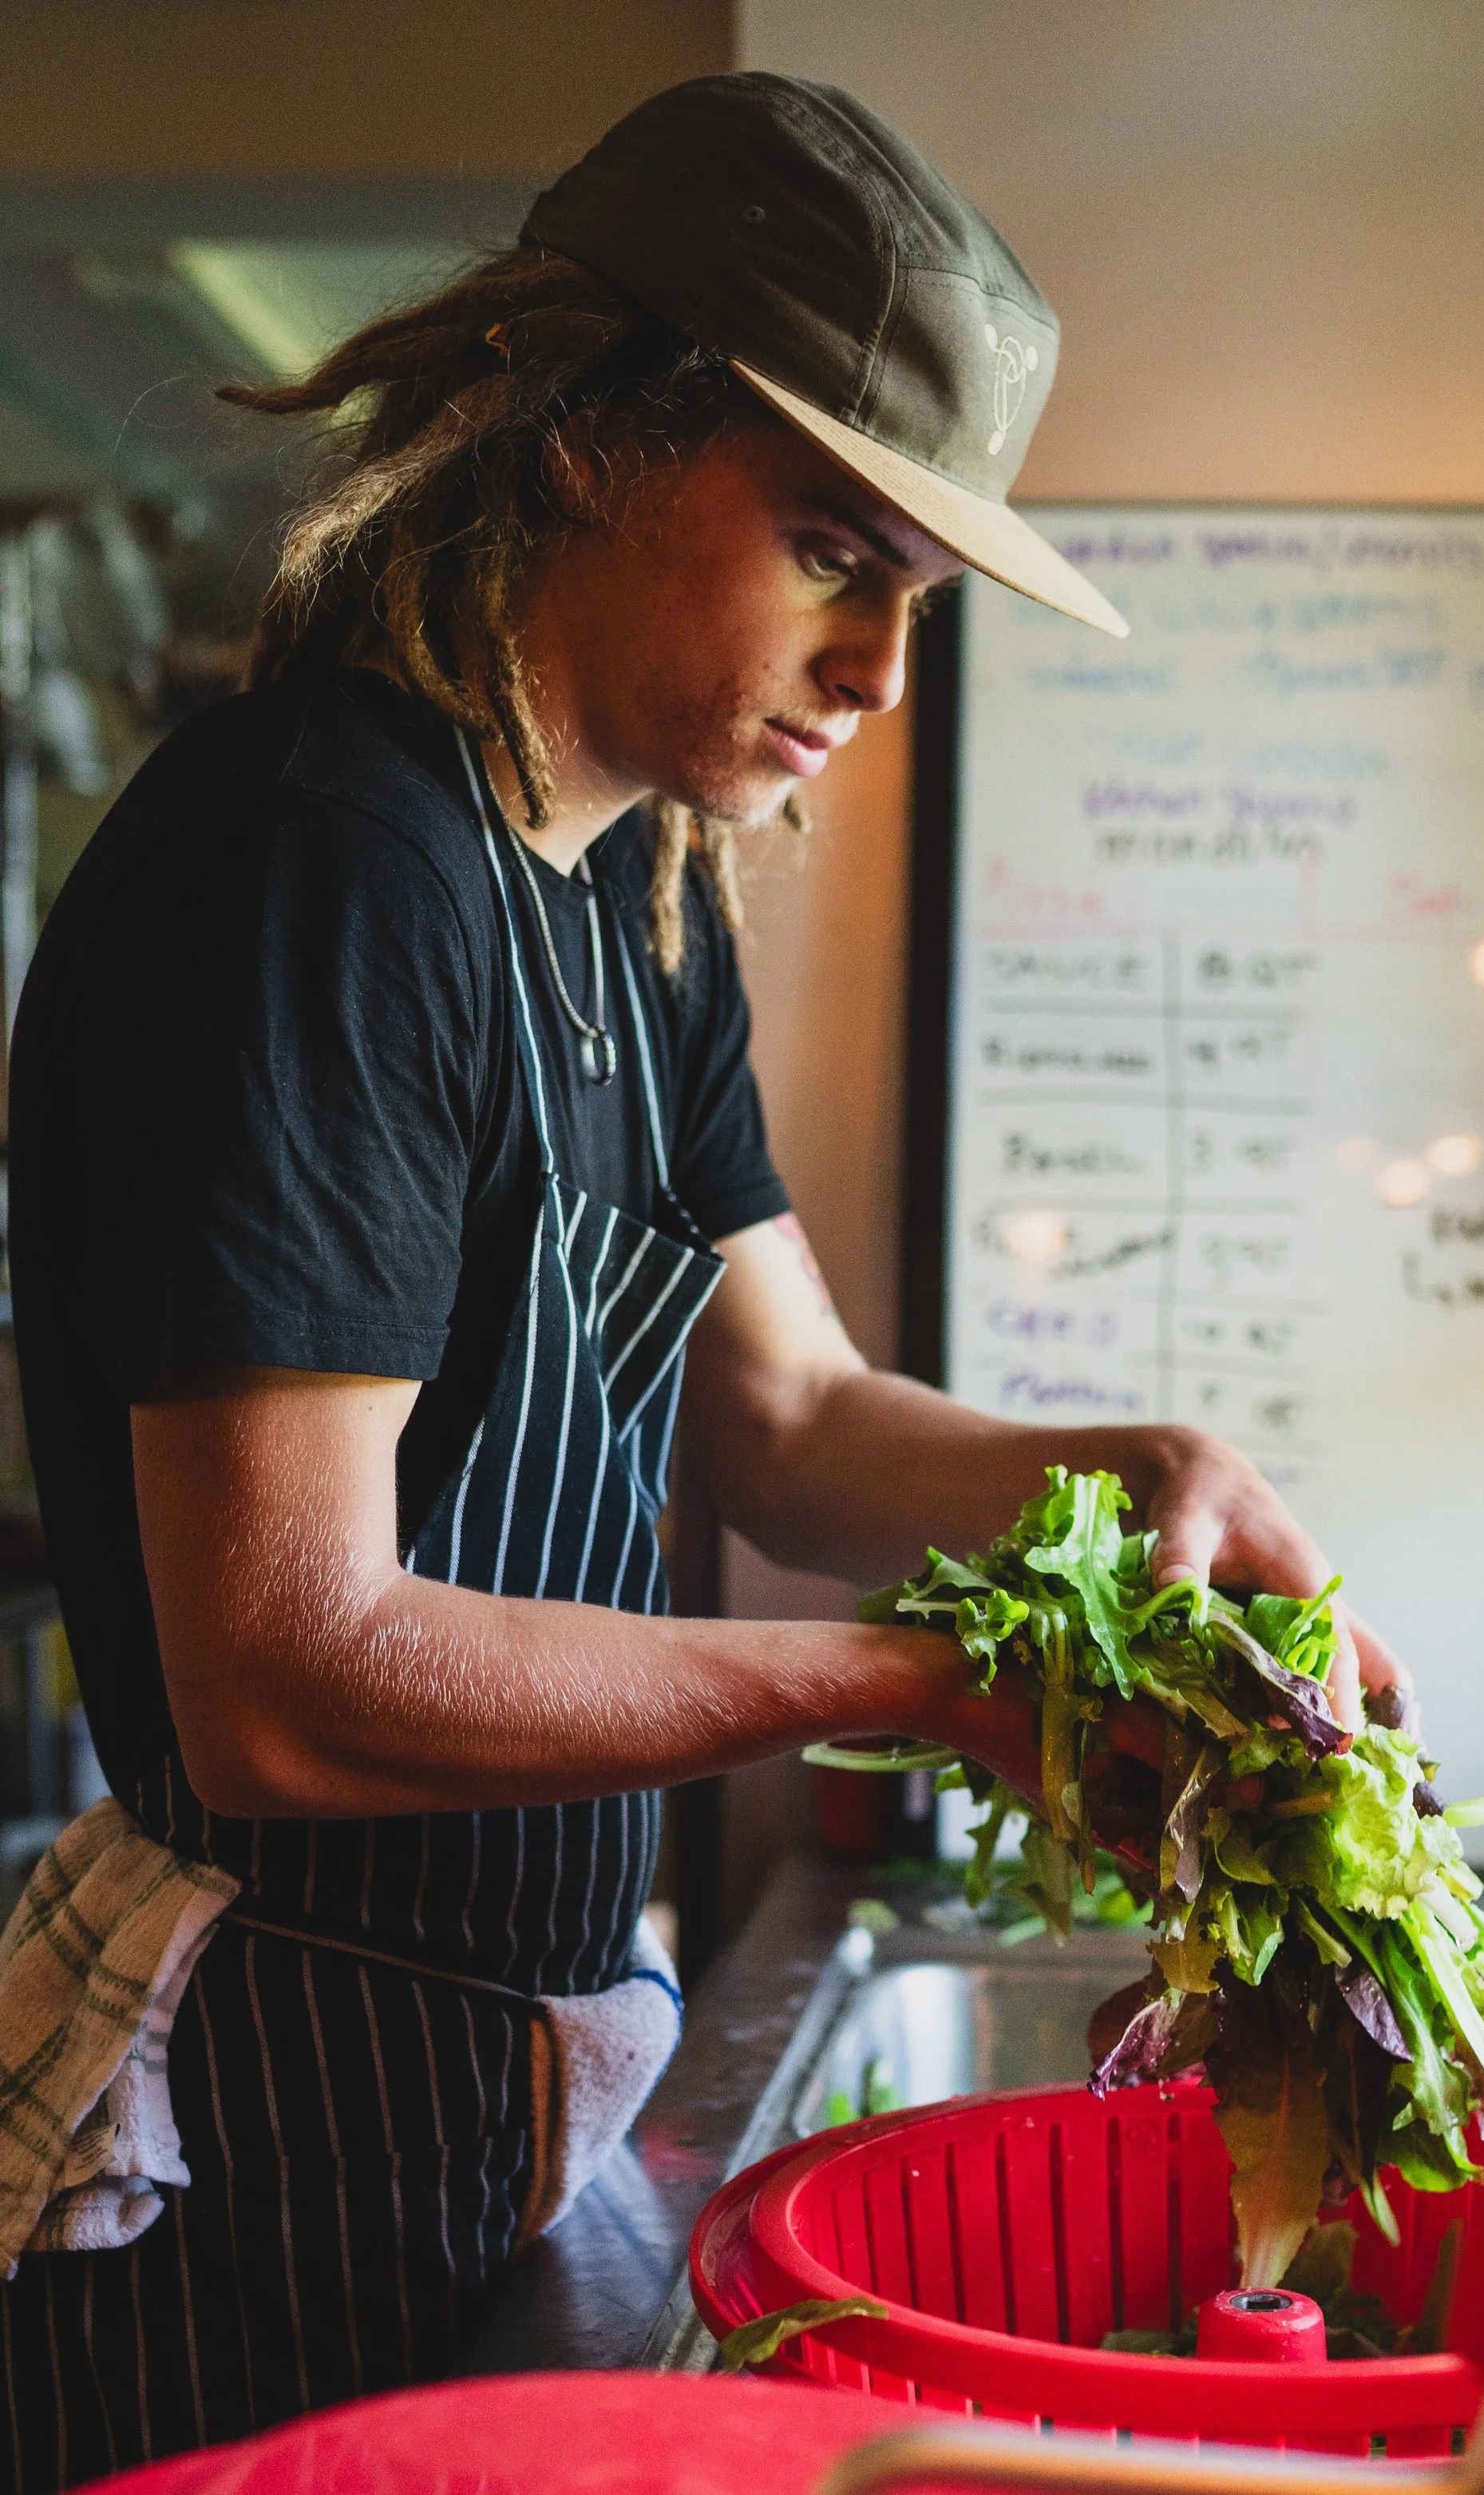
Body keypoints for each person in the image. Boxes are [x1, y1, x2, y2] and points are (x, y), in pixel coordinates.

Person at [0, 72, 1407, 2483]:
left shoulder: (635, 889)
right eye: (831, 549)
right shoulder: (316, 872)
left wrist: (1141, 1476)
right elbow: (286, 1674)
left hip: (498, 2075)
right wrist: (938, 1689)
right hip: (254, 2127)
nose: (874, 671)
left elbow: (789, 1418)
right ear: (580, 435)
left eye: (917, 595)